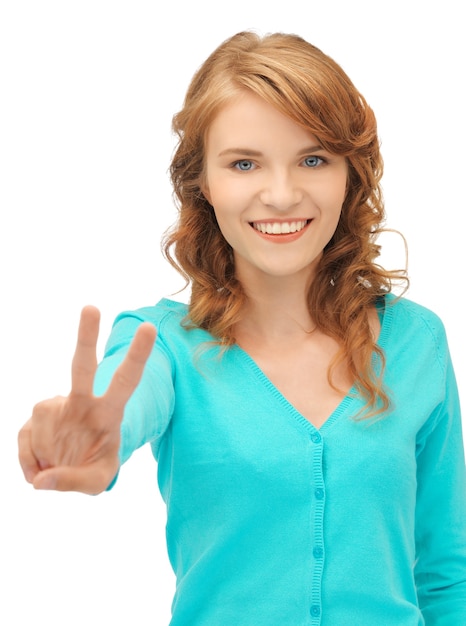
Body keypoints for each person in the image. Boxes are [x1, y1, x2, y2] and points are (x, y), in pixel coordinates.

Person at [18, 31, 466, 625]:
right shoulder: (160, 345)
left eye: (313, 159)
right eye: (244, 163)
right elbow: (121, 404)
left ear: (350, 175)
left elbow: (446, 573)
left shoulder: (416, 341)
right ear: (201, 182)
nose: (281, 195)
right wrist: (92, 434)